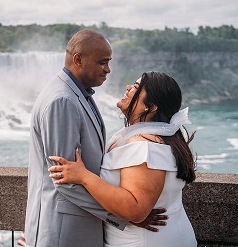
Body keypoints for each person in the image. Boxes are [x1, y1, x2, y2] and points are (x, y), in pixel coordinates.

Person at [24, 30, 166, 247]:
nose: (108, 69)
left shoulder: (78, 94)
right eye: (102, 62)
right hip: (64, 232)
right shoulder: (62, 101)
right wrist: (124, 216)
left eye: (109, 62)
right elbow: (65, 180)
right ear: (78, 60)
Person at [48, 71, 197, 247]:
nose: (128, 87)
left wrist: (84, 176)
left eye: (135, 87)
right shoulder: (160, 138)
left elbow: (135, 209)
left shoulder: (145, 147)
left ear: (151, 106)